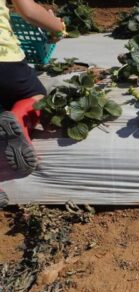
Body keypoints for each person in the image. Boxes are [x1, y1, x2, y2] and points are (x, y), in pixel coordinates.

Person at [0, 0, 65, 178]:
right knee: (36, 97)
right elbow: (29, 11)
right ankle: (19, 118)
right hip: (5, 60)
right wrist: (58, 26)